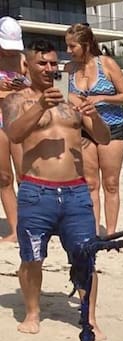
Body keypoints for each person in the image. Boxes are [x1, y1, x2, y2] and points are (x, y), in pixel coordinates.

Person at [2, 37, 109, 341]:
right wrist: (40, 106)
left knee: (85, 256)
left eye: (53, 63)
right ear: (28, 65)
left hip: (76, 191)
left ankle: (89, 318)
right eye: (42, 63)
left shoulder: (73, 99)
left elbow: (102, 138)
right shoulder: (16, 100)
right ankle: (33, 312)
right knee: (32, 256)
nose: (49, 69)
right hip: (37, 190)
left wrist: (94, 115)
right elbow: (15, 133)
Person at [65, 22, 123, 235]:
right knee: (90, 183)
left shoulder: (106, 64)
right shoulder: (69, 69)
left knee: (110, 183)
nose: (68, 51)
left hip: (113, 128)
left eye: (72, 46)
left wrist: (101, 97)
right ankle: (92, 232)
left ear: (86, 45)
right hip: (84, 129)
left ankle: (111, 233)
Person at [0, 16, 28, 243]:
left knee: (24, 175)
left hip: (17, 117)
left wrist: (22, 85)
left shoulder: (22, 59)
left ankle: (31, 225)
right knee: (3, 176)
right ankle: (14, 228)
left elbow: (35, 86)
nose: (9, 53)